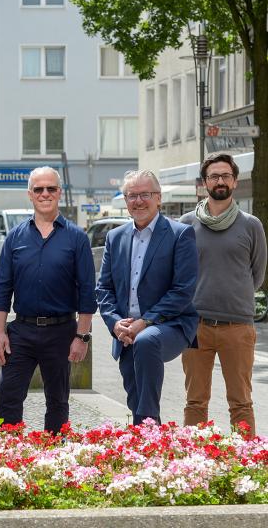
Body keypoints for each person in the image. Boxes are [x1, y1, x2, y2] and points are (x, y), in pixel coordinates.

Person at [0, 166, 96, 433]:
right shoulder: (15, 237)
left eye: (51, 188)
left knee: (58, 401)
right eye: (39, 189)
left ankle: (51, 458)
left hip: (62, 332)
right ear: (30, 194)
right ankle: (10, 455)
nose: (45, 194)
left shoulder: (76, 238)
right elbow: (2, 289)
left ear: (59, 193)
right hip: (21, 332)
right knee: (8, 396)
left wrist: (82, 337)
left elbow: (87, 291)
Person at [97, 169, 198, 425]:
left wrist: (145, 322)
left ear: (159, 198)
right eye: (132, 195)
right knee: (134, 388)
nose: (138, 201)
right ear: (125, 200)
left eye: (145, 194)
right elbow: (104, 289)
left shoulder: (180, 234)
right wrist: (114, 322)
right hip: (126, 328)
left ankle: (147, 427)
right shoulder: (115, 237)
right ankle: (149, 432)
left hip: (170, 324)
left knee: (146, 342)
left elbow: (183, 290)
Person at [180, 153, 266, 435]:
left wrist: (233, 296)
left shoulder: (251, 224)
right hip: (195, 326)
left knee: (241, 402)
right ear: (205, 182)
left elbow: (257, 274)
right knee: (195, 402)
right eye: (214, 176)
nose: (220, 180)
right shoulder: (186, 223)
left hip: (238, 326)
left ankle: (245, 466)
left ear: (234, 180)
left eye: (225, 175)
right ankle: (194, 465)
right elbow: (178, 272)